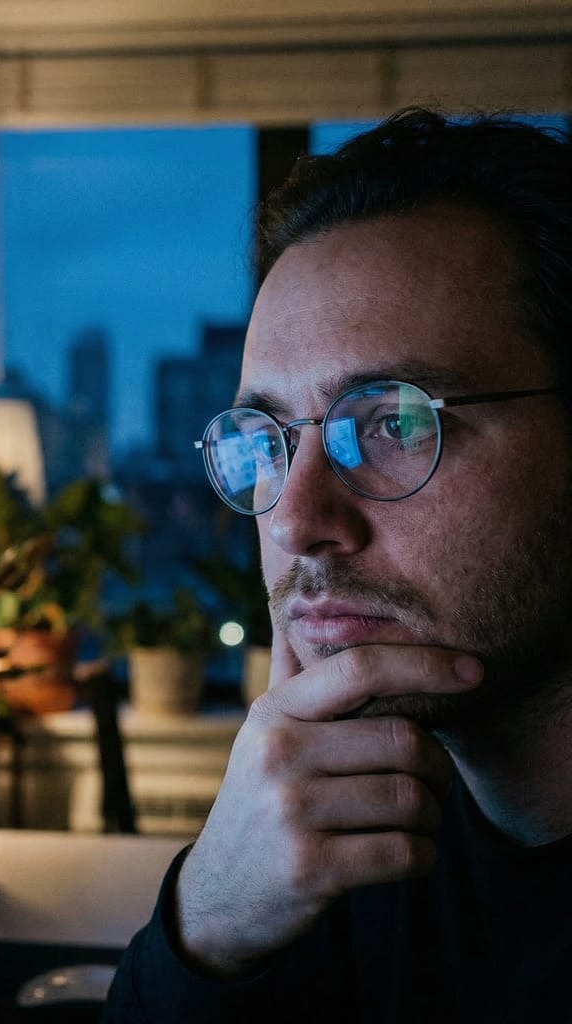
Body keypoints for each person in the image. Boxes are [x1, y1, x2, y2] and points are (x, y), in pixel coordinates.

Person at [103, 108, 572, 1023]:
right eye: (266, 439)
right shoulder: (347, 821)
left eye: (396, 422)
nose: (293, 519)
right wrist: (210, 921)